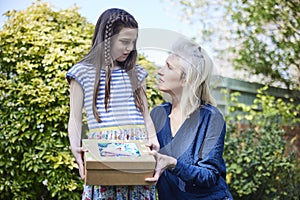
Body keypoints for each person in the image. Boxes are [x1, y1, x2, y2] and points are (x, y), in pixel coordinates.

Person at [66, 8, 159, 200]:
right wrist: (75, 147)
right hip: (104, 150)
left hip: (138, 148)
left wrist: (153, 139)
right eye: (124, 42)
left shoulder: (137, 73)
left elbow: (145, 114)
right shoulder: (82, 72)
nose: (130, 48)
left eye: (133, 42)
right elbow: (74, 118)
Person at [146, 38, 233, 199]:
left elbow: (209, 175)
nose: (160, 71)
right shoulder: (157, 114)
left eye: (169, 67)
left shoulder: (211, 118)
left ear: (186, 79)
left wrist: (173, 164)